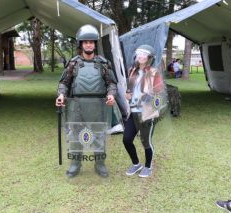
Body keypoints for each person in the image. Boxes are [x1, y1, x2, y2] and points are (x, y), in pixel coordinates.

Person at [56, 24, 117, 178]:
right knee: (76, 136)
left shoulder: (103, 63)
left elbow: (111, 83)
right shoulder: (73, 63)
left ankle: (100, 163)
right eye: (85, 42)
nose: (89, 44)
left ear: (95, 44)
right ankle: (76, 163)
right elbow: (64, 83)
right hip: (76, 105)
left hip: (98, 106)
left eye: (91, 42)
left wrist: (111, 95)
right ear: (81, 44)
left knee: (99, 136)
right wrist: (61, 95)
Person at [123, 44, 165, 178]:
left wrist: (148, 95)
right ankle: (136, 164)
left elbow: (159, 91)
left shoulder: (154, 72)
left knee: (146, 141)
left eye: (144, 54)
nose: (141, 56)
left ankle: (148, 166)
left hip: (147, 112)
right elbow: (130, 89)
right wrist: (127, 94)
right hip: (133, 111)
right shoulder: (132, 70)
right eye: (139, 53)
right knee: (127, 139)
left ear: (149, 57)